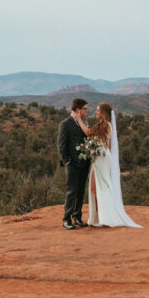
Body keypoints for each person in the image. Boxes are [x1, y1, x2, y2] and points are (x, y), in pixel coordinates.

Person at [86, 102, 142, 228]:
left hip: (102, 157)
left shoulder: (105, 125)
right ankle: (99, 215)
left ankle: (104, 216)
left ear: (103, 113)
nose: (96, 112)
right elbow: (108, 144)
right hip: (102, 156)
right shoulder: (106, 125)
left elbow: (88, 133)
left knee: (101, 186)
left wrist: (78, 120)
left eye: (98, 111)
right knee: (95, 187)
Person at [56, 97, 91, 229]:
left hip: (84, 163)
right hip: (72, 164)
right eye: (84, 109)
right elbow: (61, 145)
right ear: (77, 109)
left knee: (81, 191)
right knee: (71, 191)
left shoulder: (81, 122)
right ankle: (66, 219)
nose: (86, 111)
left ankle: (77, 217)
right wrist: (67, 161)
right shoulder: (65, 124)